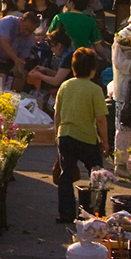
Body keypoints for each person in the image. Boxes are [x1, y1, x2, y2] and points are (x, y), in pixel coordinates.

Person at [53, 48, 109, 224]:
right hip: (86, 137)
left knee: (66, 175)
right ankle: (96, 210)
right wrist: (105, 142)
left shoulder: (65, 85)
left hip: (66, 136)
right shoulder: (95, 89)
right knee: (97, 172)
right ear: (93, 69)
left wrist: (57, 134)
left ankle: (66, 213)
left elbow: (57, 114)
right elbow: (100, 119)